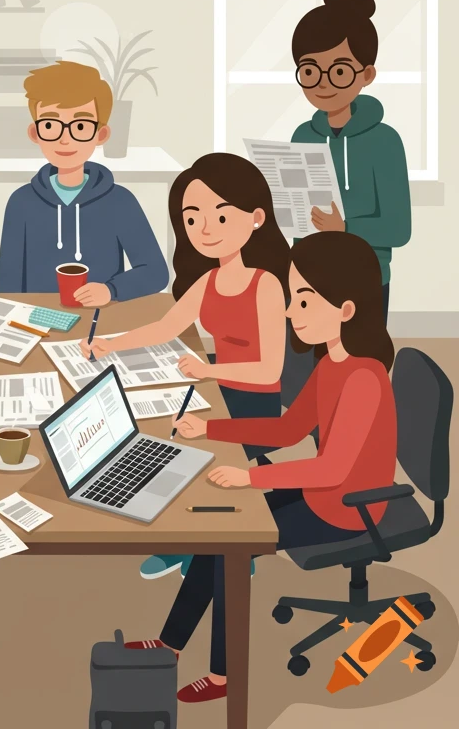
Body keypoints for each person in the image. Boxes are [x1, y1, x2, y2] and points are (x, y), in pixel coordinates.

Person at [125, 231, 397, 704]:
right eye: (293, 299)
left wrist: (252, 477)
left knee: (233, 550)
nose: (291, 313)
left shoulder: (363, 377)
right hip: (322, 492)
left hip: (350, 508)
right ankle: (170, 646)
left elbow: (331, 469)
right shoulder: (332, 361)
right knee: (217, 542)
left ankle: (221, 676)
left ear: (347, 309)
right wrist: (208, 430)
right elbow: (289, 429)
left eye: (305, 302)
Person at [82, 153, 290, 580]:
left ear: (255, 218)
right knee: (160, 428)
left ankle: (227, 548)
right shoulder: (209, 280)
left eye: (219, 214)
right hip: (219, 386)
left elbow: (270, 371)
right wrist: (112, 344)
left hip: (253, 401)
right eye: (192, 218)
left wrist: (207, 371)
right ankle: (187, 540)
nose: (205, 228)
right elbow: (166, 326)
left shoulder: (265, 284)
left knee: (186, 444)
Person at [0, 60, 168, 303]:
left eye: (80, 126)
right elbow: (7, 285)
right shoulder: (21, 202)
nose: (65, 139)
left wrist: (111, 290)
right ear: (35, 133)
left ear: (101, 134)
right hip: (35, 323)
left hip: (101, 322)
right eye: (50, 125)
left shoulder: (120, 201)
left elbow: (155, 272)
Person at [291, 0, 410, 316]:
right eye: (310, 71)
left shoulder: (384, 142)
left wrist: (345, 228)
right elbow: (300, 219)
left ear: (367, 74)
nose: (323, 83)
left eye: (339, 71)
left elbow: (399, 229)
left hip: (365, 276)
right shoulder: (303, 136)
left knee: (361, 362)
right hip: (309, 278)